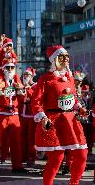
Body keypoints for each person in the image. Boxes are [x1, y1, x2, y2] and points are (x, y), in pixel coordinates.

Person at [31, 45, 88, 185]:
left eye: (67, 56)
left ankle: (74, 183)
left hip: (71, 120)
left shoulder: (70, 78)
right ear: (54, 59)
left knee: (82, 154)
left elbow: (73, 99)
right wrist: (43, 117)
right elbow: (36, 101)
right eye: (62, 57)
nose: (66, 59)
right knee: (57, 158)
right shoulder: (46, 78)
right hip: (54, 121)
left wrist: (79, 108)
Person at [0, 54, 26, 176]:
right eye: (7, 67)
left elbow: (23, 97)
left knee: (16, 141)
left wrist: (21, 90)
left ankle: (17, 166)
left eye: (12, 67)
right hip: (0, 114)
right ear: (3, 68)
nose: (10, 70)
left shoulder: (17, 78)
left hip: (14, 113)